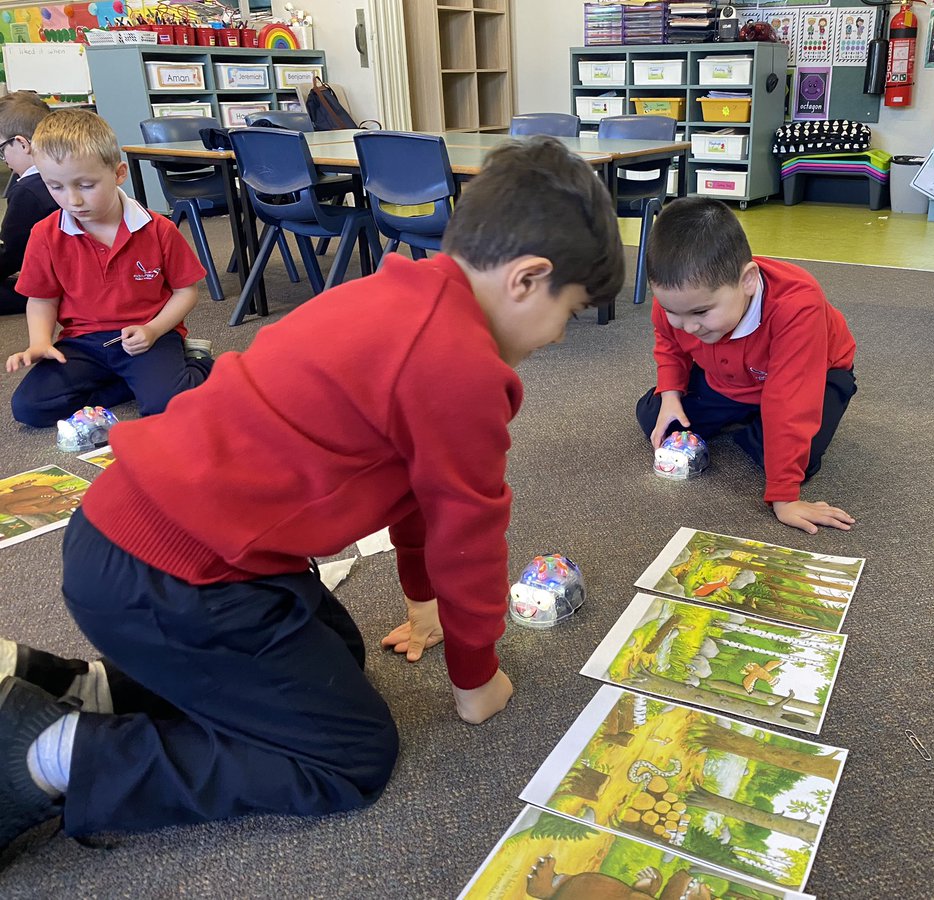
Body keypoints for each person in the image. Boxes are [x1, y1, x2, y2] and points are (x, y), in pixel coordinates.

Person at [0, 136, 624, 861]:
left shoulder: (399, 294)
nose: (555, 338)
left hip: (139, 541)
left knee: (341, 652)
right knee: (350, 755)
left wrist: (423, 605)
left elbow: (418, 492)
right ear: (527, 278)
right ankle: (53, 756)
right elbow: (468, 531)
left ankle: (86, 690)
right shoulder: (463, 369)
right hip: (168, 576)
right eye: (568, 313)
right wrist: (475, 677)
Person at [635, 197, 857, 534]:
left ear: (748, 280)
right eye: (672, 310)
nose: (687, 325)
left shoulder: (797, 307)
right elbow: (668, 342)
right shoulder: (679, 297)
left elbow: (791, 400)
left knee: (797, 457)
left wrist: (785, 499)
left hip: (813, 376)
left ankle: (759, 424)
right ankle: (753, 418)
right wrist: (670, 394)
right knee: (655, 418)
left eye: (700, 313)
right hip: (730, 376)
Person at [4, 109, 213, 428]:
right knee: (30, 408)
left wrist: (154, 329)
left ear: (118, 174)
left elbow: (186, 292)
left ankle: (198, 363)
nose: (72, 200)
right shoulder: (45, 234)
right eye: (55, 187)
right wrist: (40, 342)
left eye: (85, 185)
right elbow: (42, 299)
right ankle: (130, 385)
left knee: (165, 406)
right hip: (82, 342)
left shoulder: (158, 229)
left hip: (148, 336)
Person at [0, 93, 60, 316]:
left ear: (22, 144)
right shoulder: (63, 175)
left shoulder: (27, 191)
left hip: (55, 286)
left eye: (2, 150)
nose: (4, 160)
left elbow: (11, 253)